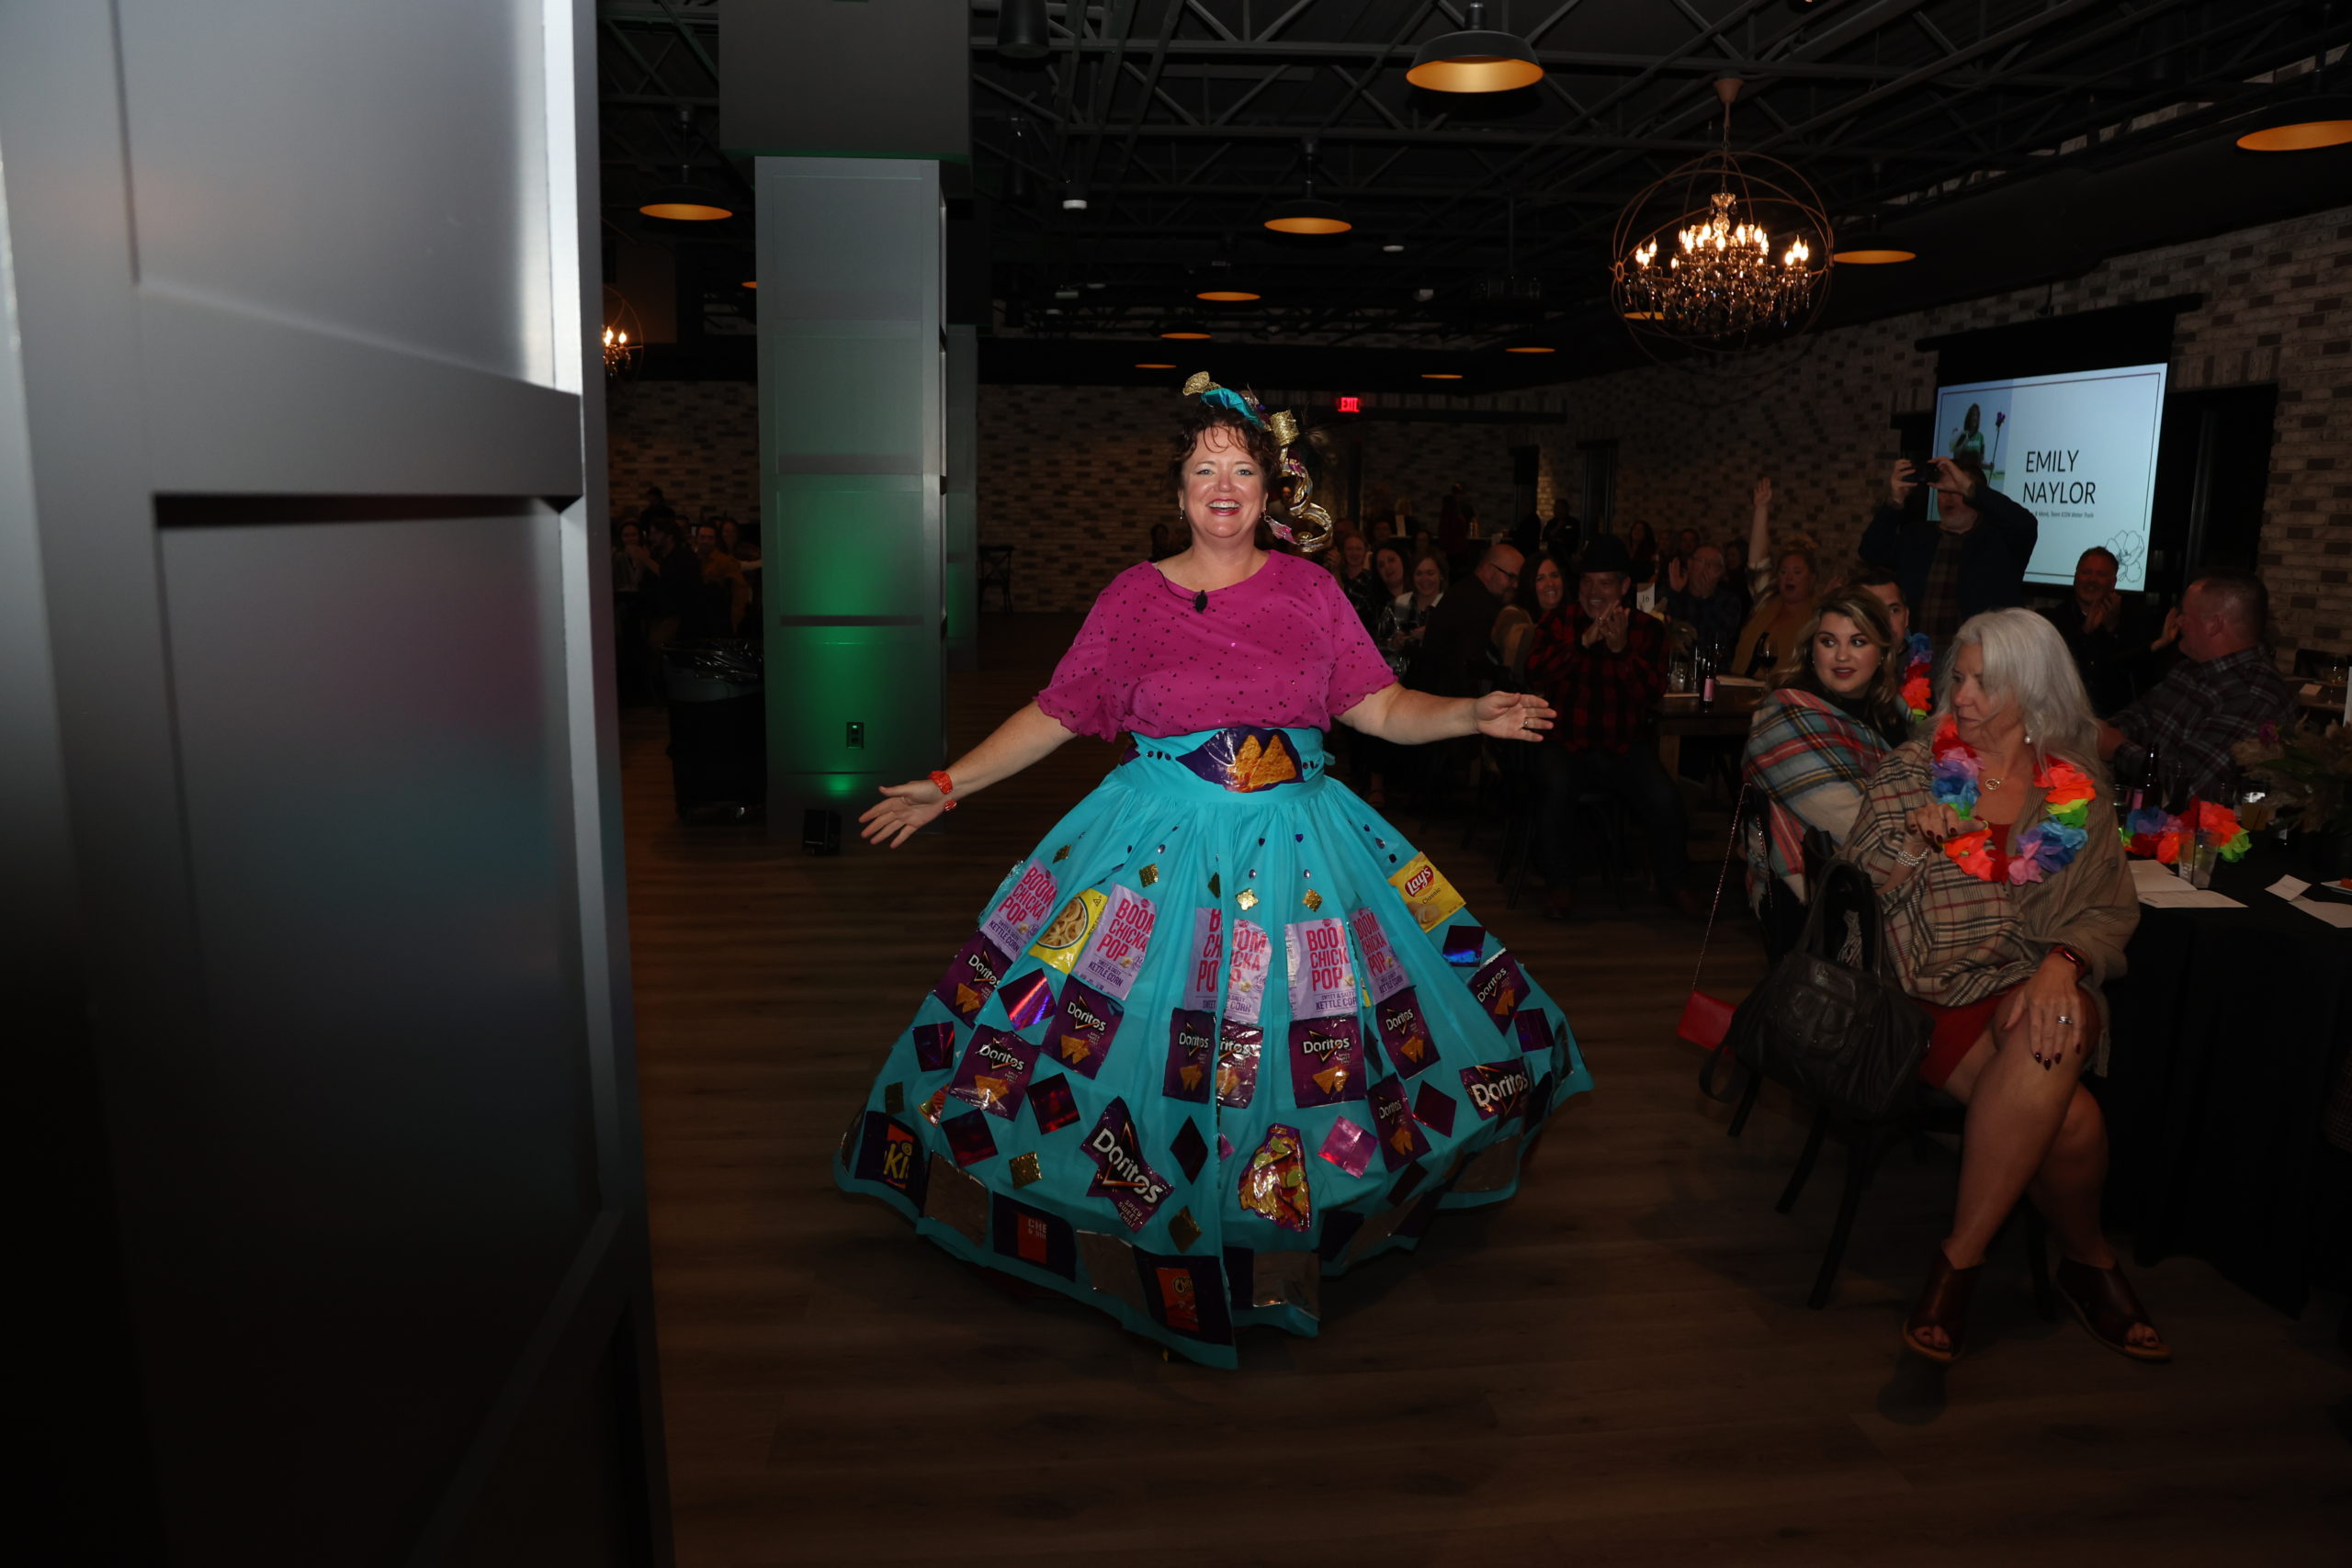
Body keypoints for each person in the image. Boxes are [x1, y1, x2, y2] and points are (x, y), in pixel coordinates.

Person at [837, 375, 1589, 1368]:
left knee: (1288, 1042)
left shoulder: (1314, 594)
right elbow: (1059, 710)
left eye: (1241, 469)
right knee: (1129, 1033)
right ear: (1178, 490)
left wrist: (1466, 711)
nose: (1222, 486)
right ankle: (1132, 1218)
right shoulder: (1132, 598)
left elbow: (1376, 707)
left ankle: (1266, 1234)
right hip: (1154, 850)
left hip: (1300, 852)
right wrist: (948, 783)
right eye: (1203, 469)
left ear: (1270, 491)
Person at [1847, 609, 2164, 1367]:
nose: (1963, 695)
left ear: (2035, 691)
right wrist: (1921, 848)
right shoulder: (1915, 767)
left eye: (1987, 682)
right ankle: (2089, 1262)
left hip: (2032, 986)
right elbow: (1861, 877)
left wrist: (2063, 961)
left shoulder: (2075, 791)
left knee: (2055, 1013)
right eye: (1959, 676)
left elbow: (2110, 910)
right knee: (2076, 1123)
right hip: (1930, 990)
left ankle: (1957, 1260)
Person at [1525, 536, 1702, 920]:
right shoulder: (1558, 621)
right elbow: (1535, 672)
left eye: (1605, 583)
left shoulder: (1648, 631)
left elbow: (1653, 692)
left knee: (1665, 797)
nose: (1594, 592)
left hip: (1623, 745)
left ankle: (1675, 883)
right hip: (1565, 741)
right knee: (1554, 787)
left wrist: (1622, 652)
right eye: (1587, 582)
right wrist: (1584, 643)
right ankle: (1560, 885)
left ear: (1624, 587)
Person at [1741, 591, 1910, 948]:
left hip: (1885, 873)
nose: (1842, 656)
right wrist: (1917, 848)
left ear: (1882, 653)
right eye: (1828, 641)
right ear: (1811, 649)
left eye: (1858, 641)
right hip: (1812, 899)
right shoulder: (1784, 714)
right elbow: (1852, 823)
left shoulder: (1895, 712)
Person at [2096, 570, 2295, 801]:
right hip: (2149, 813)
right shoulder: (2192, 668)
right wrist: (2101, 732)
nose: (2178, 621)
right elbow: (2143, 715)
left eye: (2186, 615)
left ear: (2214, 625)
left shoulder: (2254, 695)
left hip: (2205, 832)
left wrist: (2118, 749)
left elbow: (2191, 786)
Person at [1859, 456, 2038, 639]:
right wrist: (1895, 501)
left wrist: (1969, 487)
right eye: (1943, 491)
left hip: (1982, 657)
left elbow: (2026, 525)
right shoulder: (1918, 535)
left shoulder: (2000, 540)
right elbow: (1871, 550)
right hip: (1920, 659)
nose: (1948, 498)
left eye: (1956, 490)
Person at [2043, 547, 2172, 715]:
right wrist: (2085, 632)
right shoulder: (2053, 619)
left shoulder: (2133, 618)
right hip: (2064, 714)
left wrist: (2112, 628)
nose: (2092, 580)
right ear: (2076, 578)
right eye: (2086, 572)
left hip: (2115, 718)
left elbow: (2137, 671)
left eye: (2101, 575)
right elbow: (2053, 666)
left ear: (2113, 583)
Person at [1408, 542, 1522, 700]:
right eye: (1511, 576)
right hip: (1450, 705)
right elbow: (1472, 671)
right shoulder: (1478, 605)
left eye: (1518, 579)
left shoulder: (1466, 593)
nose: (1515, 584)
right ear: (1489, 571)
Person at [1853, 563, 1933, 726]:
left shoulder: (1938, 669)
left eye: (1893, 610)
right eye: (1873, 611)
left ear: (1906, 616)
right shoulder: (1843, 669)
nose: (1885, 621)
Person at [1661, 542, 1745, 668]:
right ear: (1690, 564)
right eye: (1701, 561)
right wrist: (1676, 594)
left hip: (1714, 671)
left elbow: (1720, 634)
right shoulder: (1673, 593)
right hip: (1676, 668)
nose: (1705, 568)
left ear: (1721, 572)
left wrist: (1706, 596)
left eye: (1713, 565)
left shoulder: (1729, 600)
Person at [684, 521, 751, 637]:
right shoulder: (689, 559)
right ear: (696, 539)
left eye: (710, 538)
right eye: (702, 537)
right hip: (692, 618)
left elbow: (740, 591)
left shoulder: (725, 562)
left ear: (716, 541)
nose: (705, 541)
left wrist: (734, 619)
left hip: (716, 621)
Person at [1333, 529, 1385, 629]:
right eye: (1350, 549)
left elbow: (1350, 608)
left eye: (1358, 549)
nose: (1354, 553)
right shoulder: (1338, 577)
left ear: (1366, 551)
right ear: (1343, 551)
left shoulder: (1372, 579)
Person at [1623, 521, 1659, 587]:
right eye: (1635, 529)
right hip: (1626, 585)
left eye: (1640, 530)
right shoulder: (1624, 549)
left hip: (1644, 585)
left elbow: (1656, 571)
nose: (1637, 532)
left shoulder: (1652, 551)